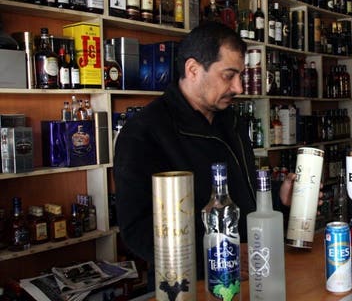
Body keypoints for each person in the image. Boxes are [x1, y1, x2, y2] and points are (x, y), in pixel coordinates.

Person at [113, 21, 298, 289]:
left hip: (252, 273)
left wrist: (278, 200)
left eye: (241, 76)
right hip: (190, 284)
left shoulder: (231, 121)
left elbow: (241, 196)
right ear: (193, 69)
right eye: (229, 75)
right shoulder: (144, 132)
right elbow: (137, 231)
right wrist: (220, 257)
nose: (239, 87)